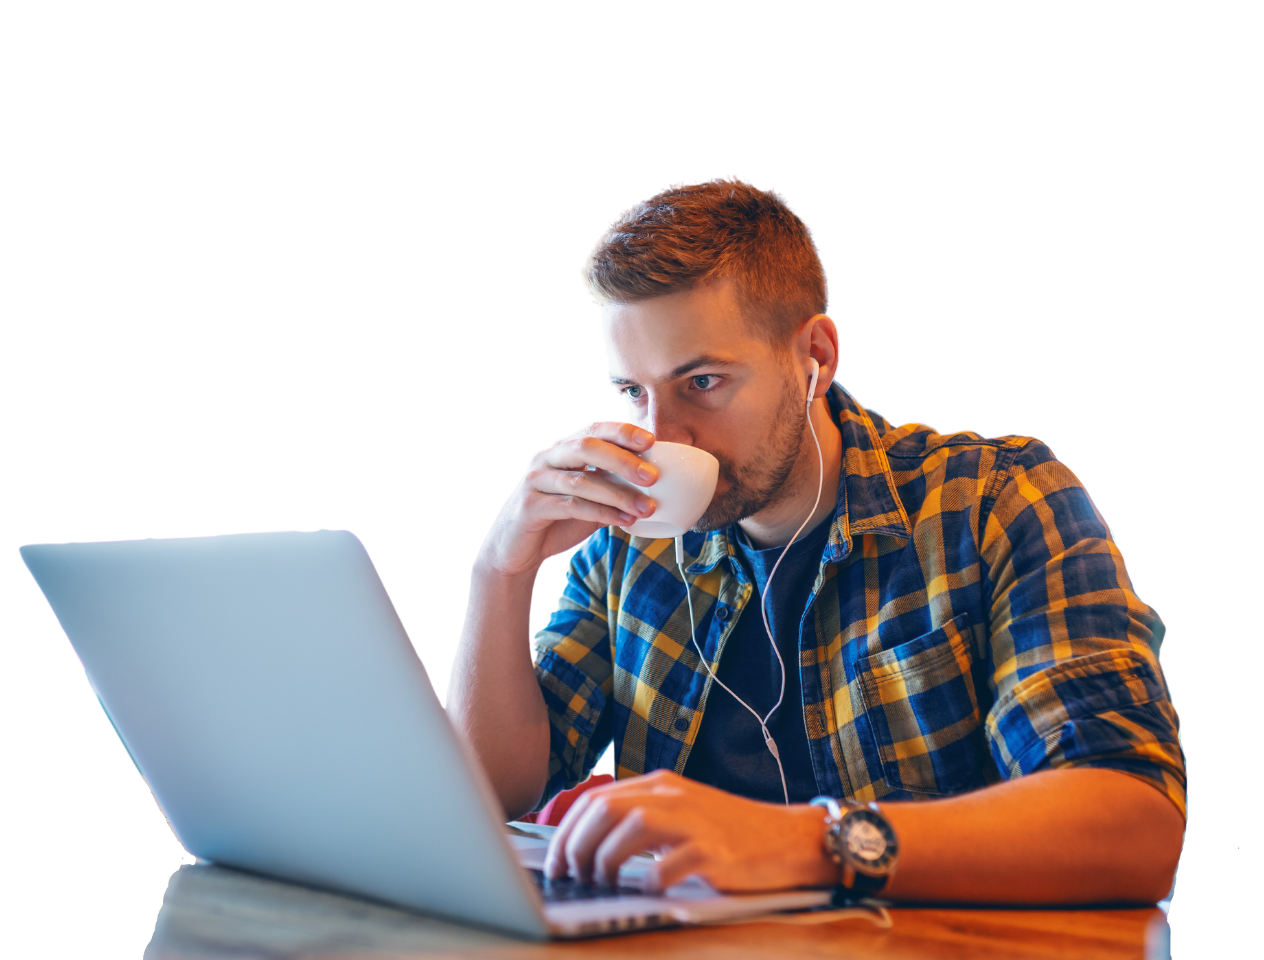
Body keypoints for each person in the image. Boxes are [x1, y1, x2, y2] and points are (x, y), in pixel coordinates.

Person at [447, 176, 1185, 905]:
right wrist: (501, 569)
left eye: (701, 381)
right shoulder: (628, 546)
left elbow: (1134, 823)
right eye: (634, 393)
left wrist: (804, 842)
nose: (659, 436)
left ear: (817, 358)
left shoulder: (992, 501)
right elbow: (486, 796)